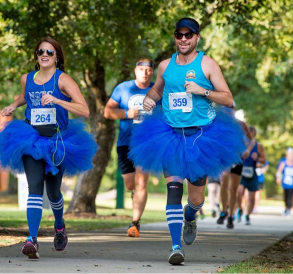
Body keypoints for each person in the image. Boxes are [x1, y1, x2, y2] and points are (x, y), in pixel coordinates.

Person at [128, 17, 247, 265]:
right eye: (179, 35)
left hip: (202, 138)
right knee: (173, 189)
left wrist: (202, 91)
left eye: (188, 35)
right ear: (175, 38)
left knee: (195, 199)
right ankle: (175, 246)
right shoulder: (164, 66)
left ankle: (190, 217)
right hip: (170, 135)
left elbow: (227, 99)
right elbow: (157, 90)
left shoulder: (208, 64)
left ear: (197, 38)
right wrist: (149, 99)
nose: (183, 39)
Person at [0, 38, 97, 259]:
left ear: (56, 56)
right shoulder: (27, 78)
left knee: (53, 193)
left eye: (49, 52)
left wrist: (58, 101)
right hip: (30, 139)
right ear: (36, 55)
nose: (45, 55)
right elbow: (26, 94)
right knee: (35, 187)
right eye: (40, 51)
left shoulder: (64, 80)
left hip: (58, 141)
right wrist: (13, 105)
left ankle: (59, 226)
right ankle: (32, 240)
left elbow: (84, 110)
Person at [104, 58, 157, 237]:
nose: (145, 72)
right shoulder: (123, 88)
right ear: (135, 70)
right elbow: (107, 111)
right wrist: (127, 113)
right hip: (126, 142)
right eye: (142, 69)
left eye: (149, 70)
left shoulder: (158, 90)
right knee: (130, 184)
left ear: (152, 72)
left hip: (148, 143)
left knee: (142, 181)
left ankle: (135, 223)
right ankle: (136, 195)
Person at [217, 108, 255, 229]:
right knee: (223, 182)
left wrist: (248, 150)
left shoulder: (241, 124)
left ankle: (231, 216)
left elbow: (252, 139)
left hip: (237, 159)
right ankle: (224, 210)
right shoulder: (220, 124)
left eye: (230, 110)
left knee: (233, 189)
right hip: (224, 159)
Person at [235, 126, 266, 225]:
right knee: (239, 192)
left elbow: (263, 159)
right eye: (247, 135)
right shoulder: (240, 144)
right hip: (241, 171)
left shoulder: (258, 146)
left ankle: (247, 215)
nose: (248, 137)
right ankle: (239, 209)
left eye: (251, 135)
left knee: (252, 197)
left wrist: (257, 159)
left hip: (252, 172)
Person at [276, 147, 293, 216]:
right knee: (286, 196)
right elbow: (279, 171)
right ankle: (286, 208)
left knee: (292, 196)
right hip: (285, 182)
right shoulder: (283, 162)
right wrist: (278, 178)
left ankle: (291, 209)